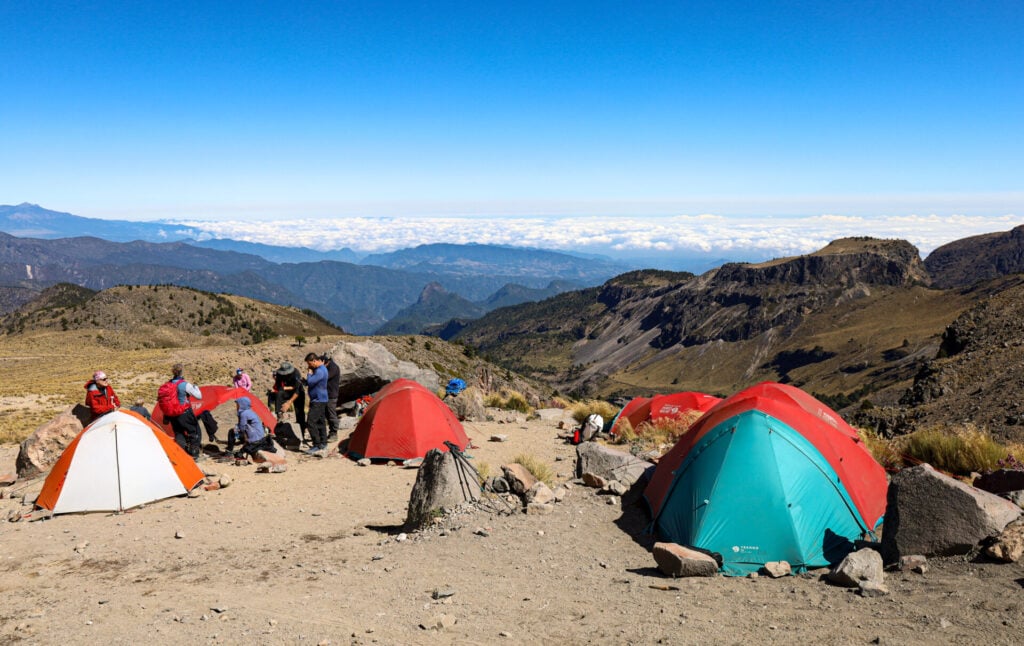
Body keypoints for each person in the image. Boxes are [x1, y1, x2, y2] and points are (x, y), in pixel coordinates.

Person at [228, 397, 286, 472]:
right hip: (260, 437)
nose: (236, 407)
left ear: (242, 405)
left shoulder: (244, 414)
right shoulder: (250, 412)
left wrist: (245, 438)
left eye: (238, 405)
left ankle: (228, 451)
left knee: (231, 431)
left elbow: (242, 428)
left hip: (253, 438)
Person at [158, 363, 204, 460]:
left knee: (179, 433)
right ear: (182, 371)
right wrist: (196, 388)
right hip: (184, 412)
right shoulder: (185, 385)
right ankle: (194, 453)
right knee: (194, 431)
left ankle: (181, 454)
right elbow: (199, 396)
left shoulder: (168, 384)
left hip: (172, 415)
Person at [273, 362, 307, 442]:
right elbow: (279, 387)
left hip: (298, 392)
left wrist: (289, 402)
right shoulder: (279, 374)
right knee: (279, 393)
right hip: (287, 391)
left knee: (300, 413)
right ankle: (279, 414)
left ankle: (302, 435)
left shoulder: (296, 373)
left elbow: (297, 390)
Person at [304, 352, 329, 456]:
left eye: (309, 363)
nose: (309, 366)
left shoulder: (319, 371)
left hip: (318, 400)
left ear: (314, 361)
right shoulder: (322, 370)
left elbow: (310, 382)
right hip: (321, 399)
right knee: (320, 421)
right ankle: (323, 442)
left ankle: (317, 444)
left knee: (311, 422)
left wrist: (309, 373)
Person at [322, 353, 341, 441]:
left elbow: (326, 377)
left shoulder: (333, 367)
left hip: (331, 395)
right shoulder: (328, 367)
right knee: (327, 414)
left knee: (331, 415)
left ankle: (334, 433)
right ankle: (331, 432)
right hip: (326, 394)